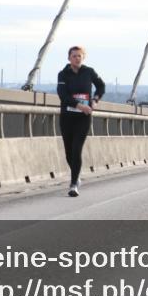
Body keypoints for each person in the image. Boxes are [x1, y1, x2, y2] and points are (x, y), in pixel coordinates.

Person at [56, 45, 105, 197]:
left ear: (83, 57)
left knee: (77, 149)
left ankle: (73, 184)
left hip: (83, 118)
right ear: (69, 58)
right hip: (67, 116)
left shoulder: (89, 72)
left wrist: (95, 100)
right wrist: (78, 105)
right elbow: (62, 94)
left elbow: (101, 86)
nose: (77, 58)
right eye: (74, 56)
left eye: (79, 56)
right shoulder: (63, 74)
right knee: (69, 153)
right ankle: (76, 175)